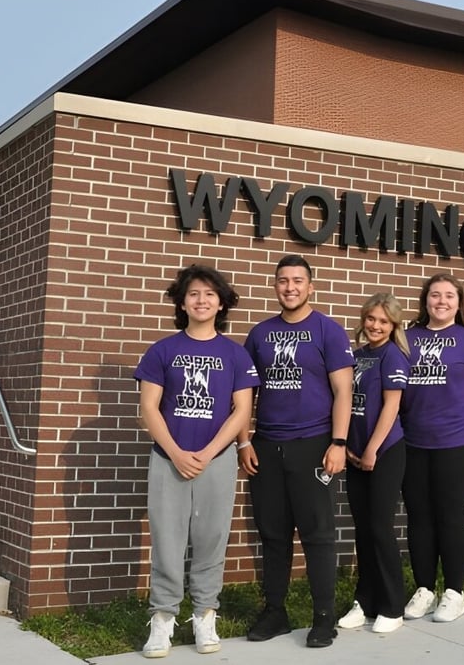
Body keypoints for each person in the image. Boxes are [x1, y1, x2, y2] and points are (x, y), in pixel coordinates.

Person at [135, 265, 260, 658]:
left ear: (221, 302)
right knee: (168, 542)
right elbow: (148, 408)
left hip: (217, 462)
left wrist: (208, 453)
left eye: (209, 293)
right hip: (168, 459)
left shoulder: (235, 355)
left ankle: (205, 614)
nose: (201, 300)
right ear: (182, 302)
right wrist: (175, 452)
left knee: (211, 541)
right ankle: (163, 619)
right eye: (193, 294)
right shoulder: (163, 350)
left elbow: (242, 412)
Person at [237, 254, 354, 648]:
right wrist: (244, 440)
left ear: (310, 286)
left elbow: (344, 391)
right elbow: (244, 394)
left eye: (298, 281)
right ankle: (276, 611)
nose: (290, 287)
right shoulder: (260, 334)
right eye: (283, 281)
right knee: (272, 533)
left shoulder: (328, 331)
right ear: (276, 286)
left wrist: (339, 442)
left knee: (318, 534)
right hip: (267, 445)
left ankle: (324, 617)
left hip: (314, 444)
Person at [400, 273, 464, 623]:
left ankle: (454, 592)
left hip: (457, 441)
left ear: (459, 302)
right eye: (435, 295)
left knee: (450, 514)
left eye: (449, 296)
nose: (441, 301)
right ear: (425, 300)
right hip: (413, 441)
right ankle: (424, 589)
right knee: (419, 516)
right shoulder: (407, 338)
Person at [337, 293, 411, 633]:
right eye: (371, 319)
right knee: (363, 529)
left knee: (380, 528)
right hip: (354, 453)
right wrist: (350, 447)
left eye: (383, 321)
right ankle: (364, 600)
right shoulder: (357, 356)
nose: (376, 326)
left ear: (393, 325)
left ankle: (392, 605)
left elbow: (391, 407)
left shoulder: (392, 356)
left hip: (385, 452)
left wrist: (372, 450)